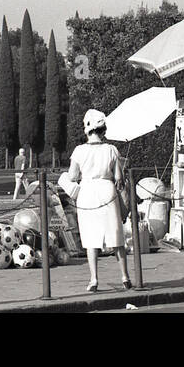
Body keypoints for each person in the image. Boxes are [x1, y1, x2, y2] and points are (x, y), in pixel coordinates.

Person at [66, 109, 132, 293]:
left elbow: (72, 176)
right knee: (116, 235)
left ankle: (94, 279)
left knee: (90, 237)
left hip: (87, 191)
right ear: (103, 130)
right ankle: (125, 276)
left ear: (87, 129)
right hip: (107, 189)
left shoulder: (78, 151)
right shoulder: (111, 149)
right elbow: (119, 177)